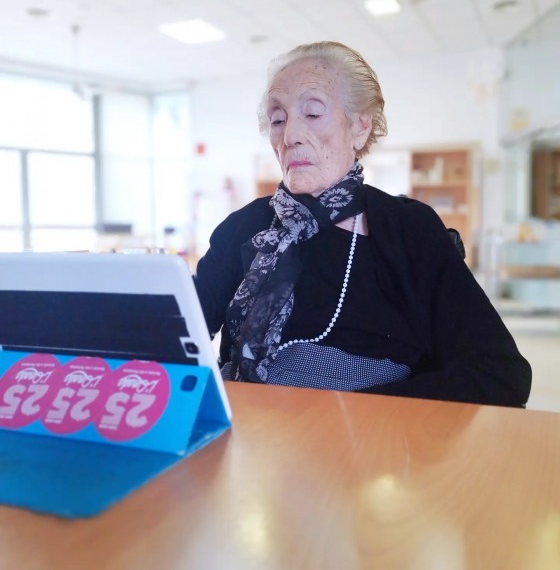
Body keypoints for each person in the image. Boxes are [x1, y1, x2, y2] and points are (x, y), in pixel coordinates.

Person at [195, 41, 531, 407]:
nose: (289, 136)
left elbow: (499, 373)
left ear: (360, 127)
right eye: (278, 120)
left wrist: (349, 413)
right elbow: (175, 337)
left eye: (313, 113)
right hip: (250, 426)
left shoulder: (409, 230)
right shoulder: (244, 228)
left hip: (369, 435)